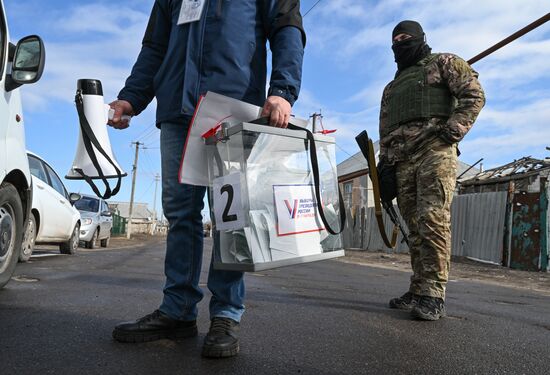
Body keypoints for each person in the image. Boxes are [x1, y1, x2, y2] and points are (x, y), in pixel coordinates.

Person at [108, 0, 306, 357]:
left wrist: (282, 89)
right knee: (180, 215)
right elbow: (154, 47)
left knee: (230, 217)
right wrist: (130, 98)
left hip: (231, 107)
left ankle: (227, 314)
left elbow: (287, 28)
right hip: (177, 111)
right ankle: (178, 310)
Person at [378, 20, 485, 320]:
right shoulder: (392, 87)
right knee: (414, 226)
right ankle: (418, 287)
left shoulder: (444, 62)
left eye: (406, 37)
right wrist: (384, 164)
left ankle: (434, 294)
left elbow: (474, 95)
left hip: (434, 153)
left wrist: (451, 132)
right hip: (402, 161)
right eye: (396, 39)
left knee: (433, 220)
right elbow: (386, 127)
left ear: (421, 38)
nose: (401, 43)